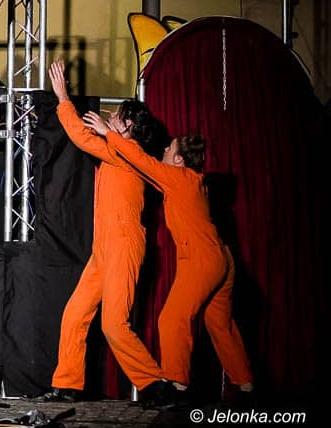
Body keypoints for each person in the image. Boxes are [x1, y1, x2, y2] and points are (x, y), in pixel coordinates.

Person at [83, 111, 254, 404]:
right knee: (220, 325)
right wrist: (118, 136)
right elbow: (143, 171)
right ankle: (247, 385)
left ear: (178, 160)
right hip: (222, 259)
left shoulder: (179, 177)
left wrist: (107, 133)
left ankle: (177, 387)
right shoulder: (190, 181)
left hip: (202, 260)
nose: (163, 149)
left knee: (172, 319)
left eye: (169, 148)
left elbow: (143, 163)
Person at [42, 61, 169, 405]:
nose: (110, 116)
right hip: (104, 248)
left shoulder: (132, 153)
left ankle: (155, 384)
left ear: (129, 126)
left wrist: (64, 99)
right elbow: (88, 139)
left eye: (117, 116)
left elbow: (84, 139)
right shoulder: (117, 150)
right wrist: (96, 126)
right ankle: (67, 384)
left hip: (124, 244)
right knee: (75, 314)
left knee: (114, 324)